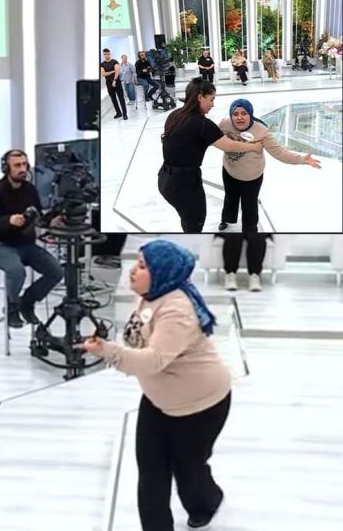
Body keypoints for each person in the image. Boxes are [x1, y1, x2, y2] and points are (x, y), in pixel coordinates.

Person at [84, 239, 231, 531]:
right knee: (151, 473)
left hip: (200, 405)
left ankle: (207, 501)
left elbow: (153, 360)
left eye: (142, 266)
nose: (133, 271)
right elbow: (137, 339)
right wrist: (109, 346)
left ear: (162, 272)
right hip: (158, 399)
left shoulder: (177, 310)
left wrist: (110, 352)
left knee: (188, 470)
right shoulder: (150, 295)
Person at [158, 78, 263, 232]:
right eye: (211, 99)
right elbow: (229, 145)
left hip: (164, 178)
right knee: (195, 222)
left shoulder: (175, 114)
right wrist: (254, 146)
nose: (213, 104)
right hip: (183, 184)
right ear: (200, 97)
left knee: (187, 219)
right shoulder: (202, 124)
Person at [0, 149, 63, 328]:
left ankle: (26, 302)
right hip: (1, 246)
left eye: (24, 165)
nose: (22, 169)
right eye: (17, 165)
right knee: (16, 271)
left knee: (56, 271)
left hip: (27, 245)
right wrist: (9, 221)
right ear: (6, 168)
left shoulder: (30, 190)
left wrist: (50, 222)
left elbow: (38, 217)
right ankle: (11, 308)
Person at [217, 99, 320, 232]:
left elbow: (279, 152)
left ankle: (250, 231)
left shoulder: (262, 131)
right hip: (229, 171)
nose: (239, 117)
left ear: (250, 114)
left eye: (244, 113)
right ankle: (226, 219)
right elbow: (213, 138)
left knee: (249, 205)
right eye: (235, 114)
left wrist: (301, 159)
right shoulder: (225, 124)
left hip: (252, 177)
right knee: (230, 198)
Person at [101, 48, 127, 119]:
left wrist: (114, 80)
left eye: (108, 54)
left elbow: (117, 71)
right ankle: (118, 113)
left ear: (110, 54)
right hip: (108, 83)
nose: (106, 55)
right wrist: (113, 71)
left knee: (121, 98)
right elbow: (103, 74)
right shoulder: (102, 64)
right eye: (105, 54)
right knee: (113, 99)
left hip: (117, 82)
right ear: (103, 55)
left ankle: (125, 114)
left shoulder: (115, 61)